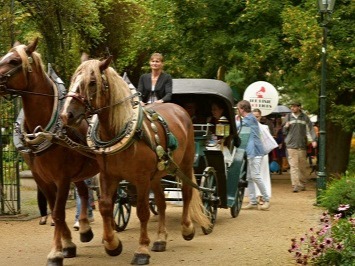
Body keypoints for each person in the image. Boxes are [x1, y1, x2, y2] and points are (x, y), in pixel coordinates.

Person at [237, 100, 270, 210]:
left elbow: (238, 126)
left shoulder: (249, 119)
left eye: (238, 108)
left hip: (255, 151)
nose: (238, 110)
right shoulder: (249, 118)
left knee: (255, 176)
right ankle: (253, 201)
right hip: (252, 152)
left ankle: (266, 199)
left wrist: (236, 120)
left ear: (242, 109)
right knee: (250, 177)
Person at [283, 102, 317, 192]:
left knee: (302, 166)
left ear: (299, 107)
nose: (292, 108)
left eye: (294, 106)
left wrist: (314, 140)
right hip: (291, 145)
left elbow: (311, 129)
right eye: (291, 107)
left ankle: (302, 184)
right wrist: (286, 127)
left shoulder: (305, 117)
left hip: (302, 145)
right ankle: (295, 185)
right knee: (294, 166)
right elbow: (283, 131)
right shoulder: (288, 117)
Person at [251, 109, 272, 203]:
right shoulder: (249, 126)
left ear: (260, 117)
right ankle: (255, 196)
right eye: (253, 116)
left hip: (262, 153)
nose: (255, 118)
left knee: (262, 174)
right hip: (252, 153)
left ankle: (262, 195)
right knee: (253, 175)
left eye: (257, 116)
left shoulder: (265, 127)